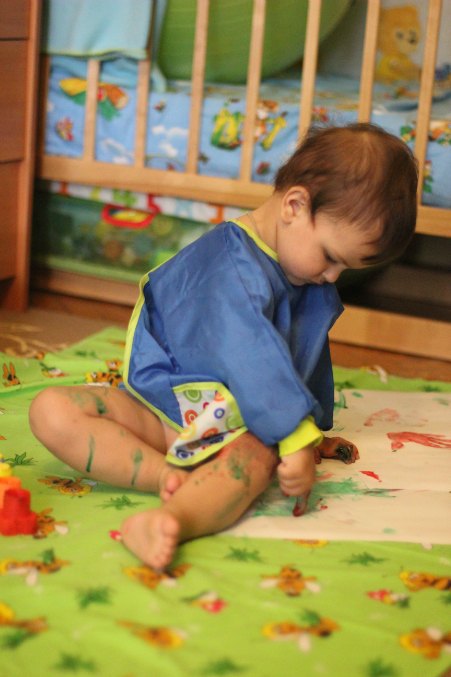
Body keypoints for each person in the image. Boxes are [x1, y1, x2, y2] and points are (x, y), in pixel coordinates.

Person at [29, 123, 418, 570]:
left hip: (235, 432)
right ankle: (165, 475)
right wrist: (292, 434)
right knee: (51, 410)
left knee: (253, 461)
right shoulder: (228, 266)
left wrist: (308, 434)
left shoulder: (301, 272)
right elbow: (252, 356)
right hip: (158, 412)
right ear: (294, 206)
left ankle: (173, 518)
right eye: (331, 257)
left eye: (343, 267)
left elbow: (300, 355)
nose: (332, 276)